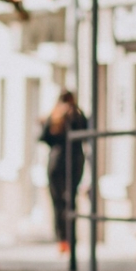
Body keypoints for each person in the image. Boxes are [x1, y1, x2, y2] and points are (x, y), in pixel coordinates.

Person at [39, 91, 87, 254]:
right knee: (71, 199)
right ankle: (71, 238)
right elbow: (86, 134)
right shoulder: (78, 115)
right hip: (75, 160)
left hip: (57, 161)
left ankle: (62, 239)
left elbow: (43, 137)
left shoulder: (55, 116)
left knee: (58, 201)